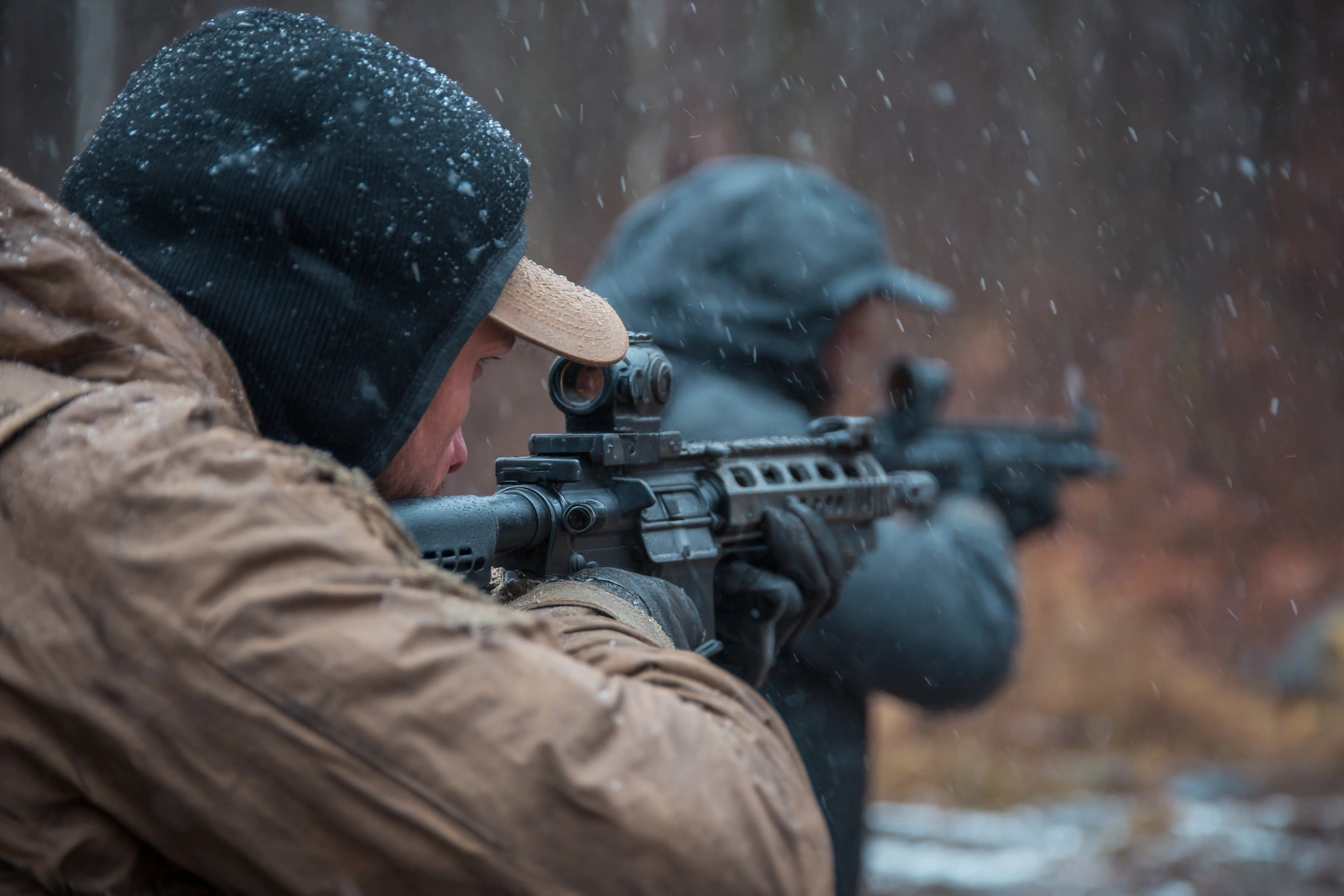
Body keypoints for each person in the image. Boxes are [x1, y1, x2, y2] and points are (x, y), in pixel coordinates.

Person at [0, 13, 839, 896]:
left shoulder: (66, 458)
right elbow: (743, 855)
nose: (465, 449)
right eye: (474, 365)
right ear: (343, 355)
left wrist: (672, 681)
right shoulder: (141, 514)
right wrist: (597, 625)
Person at [588, 157, 1046, 896]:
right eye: (846, 318)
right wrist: (973, 516)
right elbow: (962, 638)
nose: (856, 346)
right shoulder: (737, 444)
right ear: (779, 318)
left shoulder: (652, 417)